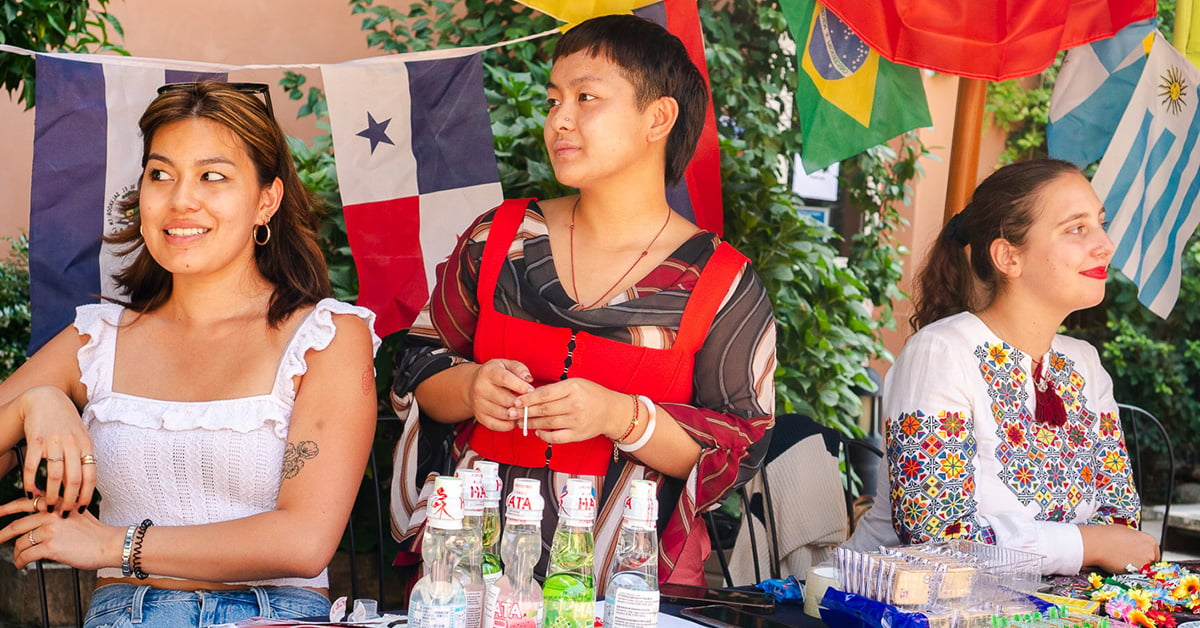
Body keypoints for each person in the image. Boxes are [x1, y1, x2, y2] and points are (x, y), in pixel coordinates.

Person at [390, 14, 776, 588]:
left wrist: (618, 415)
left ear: (658, 118)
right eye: (553, 101)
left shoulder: (723, 284)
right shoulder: (498, 239)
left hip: (630, 584)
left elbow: (738, 448)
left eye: (586, 97)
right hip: (471, 569)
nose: (559, 120)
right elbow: (417, 361)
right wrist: (470, 387)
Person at [0, 81, 380, 625]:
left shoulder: (326, 337)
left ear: (266, 200)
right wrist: (35, 402)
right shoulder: (98, 339)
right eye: (161, 174)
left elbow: (304, 540)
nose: (181, 199)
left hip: (273, 615)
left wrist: (112, 546)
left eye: (213, 176)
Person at [845, 159, 1158, 575]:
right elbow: (935, 538)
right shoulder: (940, 353)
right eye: (1077, 228)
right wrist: (1088, 543)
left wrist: (1096, 543)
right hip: (894, 609)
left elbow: (1122, 522)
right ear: (1008, 256)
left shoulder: (1084, 363)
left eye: (1100, 224)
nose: (1105, 244)